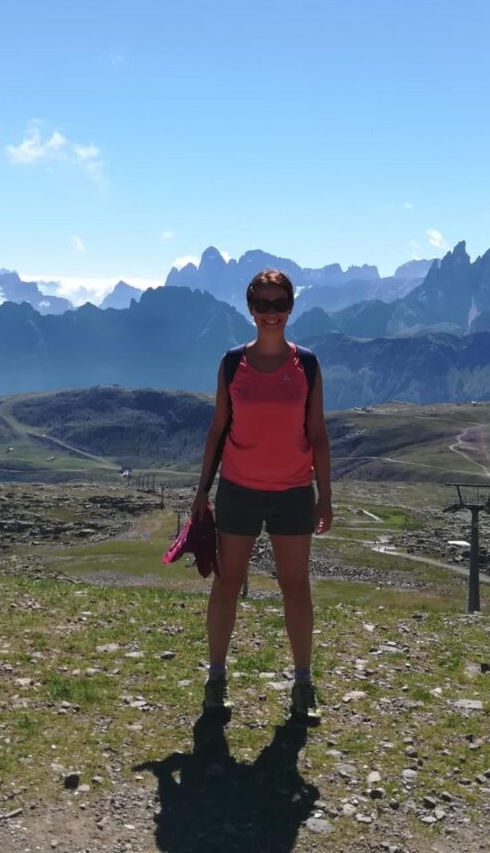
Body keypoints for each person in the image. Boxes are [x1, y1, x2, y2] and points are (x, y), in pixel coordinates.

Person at [190, 269, 333, 724]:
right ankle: (216, 679)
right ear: (250, 308)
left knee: (296, 588)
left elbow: (318, 434)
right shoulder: (233, 363)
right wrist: (202, 492)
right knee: (227, 584)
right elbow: (217, 428)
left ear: (291, 307)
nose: (271, 313)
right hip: (238, 488)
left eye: (280, 304)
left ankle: (304, 684)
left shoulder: (306, 364)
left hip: (293, 491)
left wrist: (324, 495)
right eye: (263, 305)